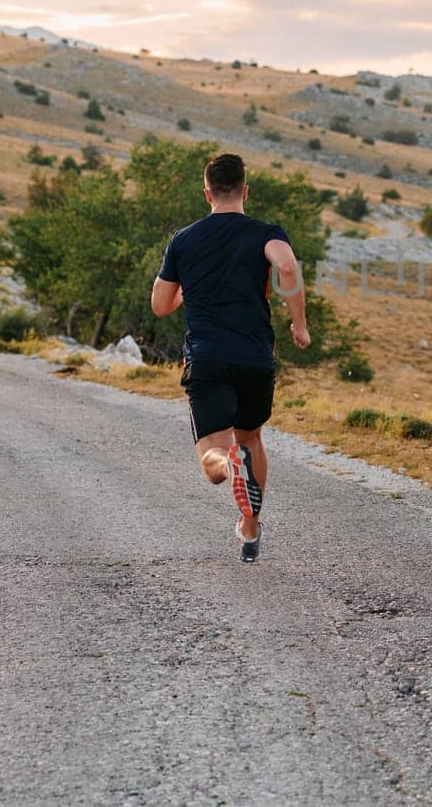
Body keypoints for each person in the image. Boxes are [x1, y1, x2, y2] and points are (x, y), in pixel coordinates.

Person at [151, 152, 310, 562]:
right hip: (256, 357)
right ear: (245, 190)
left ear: (207, 193)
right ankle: (251, 527)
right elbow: (288, 267)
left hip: (208, 358)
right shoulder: (266, 233)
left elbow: (160, 305)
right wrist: (299, 325)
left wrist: (188, 287)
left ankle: (230, 466)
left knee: (212, 457)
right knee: (252, 436)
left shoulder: (183, 240)